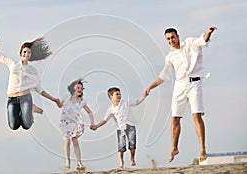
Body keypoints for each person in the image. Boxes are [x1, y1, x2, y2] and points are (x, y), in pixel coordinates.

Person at [145, 26, 217, 163]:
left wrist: (208, 33)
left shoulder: (190, 43)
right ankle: (174, 148)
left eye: (172, 37)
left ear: (177, 36)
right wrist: (150, 87)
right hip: (179, 85)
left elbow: (203, 41)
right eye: (168, 39)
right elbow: (164, 76)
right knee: (175, 118)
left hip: (194, 83)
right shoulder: (170, 57)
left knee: (196, 115)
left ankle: (202, 148)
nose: (171, 40)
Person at [0, 32, 61, 130]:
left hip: (25, 98)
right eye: (24, 52)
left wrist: (54, 99)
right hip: (12, 99)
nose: (26, 54)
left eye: (29, 52)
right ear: (21, 53)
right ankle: (27, 111)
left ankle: (31, 108)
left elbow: (39, 89)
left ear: (30, 55)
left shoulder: (32, 71)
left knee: (26, 126)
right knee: (13, 126)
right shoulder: (13, 63)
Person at [91, 87, 147, 169]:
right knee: (121, 147)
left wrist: (144, 96)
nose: (119, 95)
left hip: (130, 125)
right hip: (121, 128)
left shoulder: (125, 102)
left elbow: (137, 102)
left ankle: (132, 158)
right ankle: (121, 161)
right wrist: (96, 126)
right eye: (117, 94)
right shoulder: (111, 109)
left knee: (132, 145)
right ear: (111, 96)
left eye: (120, 94)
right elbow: (104, 120)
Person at [58, 78, 95, 170]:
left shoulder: (82, 101)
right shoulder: (66, 97)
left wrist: (92, 123)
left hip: (76, 121)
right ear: (73, 88)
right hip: (65, 121)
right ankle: (68, 161)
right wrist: (56, 101)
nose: (80, 90)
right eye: (78, 87)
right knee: (67, 140)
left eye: (81, 88)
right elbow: (60, 105)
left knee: (75, 141)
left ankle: (79, 162)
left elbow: (89, 112)